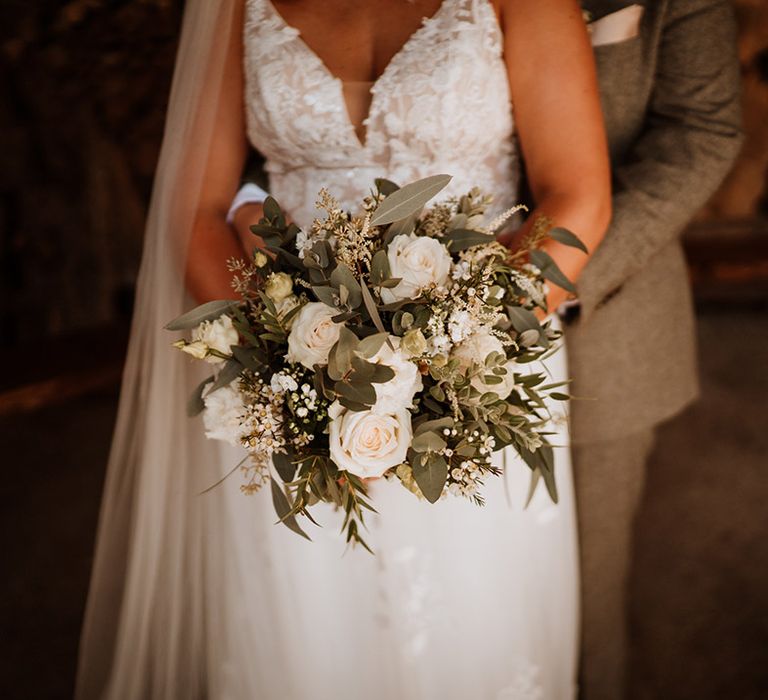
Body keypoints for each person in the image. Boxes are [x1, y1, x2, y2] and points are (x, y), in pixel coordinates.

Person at [76, 1, 611, 698]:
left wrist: (451, 363)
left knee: (477, 624)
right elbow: (197, 211)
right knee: (307, 628)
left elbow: (577, 196)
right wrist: (284, 371)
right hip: (291, 372)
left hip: (478, 372)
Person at [565, 1, 742, 698]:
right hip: (392, 320)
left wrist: (557, 281)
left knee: (585, 602)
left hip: (602, 330)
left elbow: (703, 129)